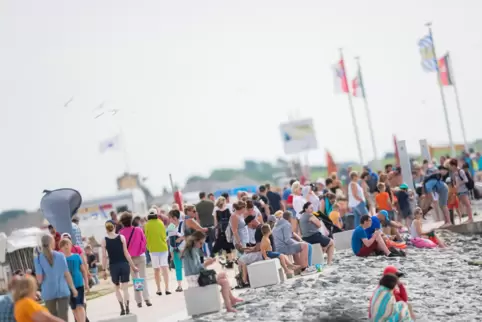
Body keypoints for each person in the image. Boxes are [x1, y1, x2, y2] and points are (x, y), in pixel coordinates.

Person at [181, 231, 243, 313]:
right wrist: (206, 264)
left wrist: (205, 264)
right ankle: (229, 306)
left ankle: (231, 300)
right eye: (201, 243)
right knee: (224, 282)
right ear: (195, 241)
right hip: (196, 280)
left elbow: (195, 268)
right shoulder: (191, 252)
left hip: (196, 277)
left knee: (223, 275)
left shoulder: (190, 250)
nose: (201, 245)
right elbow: (195, 270)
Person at [34, 234, 77, 321]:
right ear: (51, 243)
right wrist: (73, 288)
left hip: (48, 293)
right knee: (63, 318)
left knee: (52, 319)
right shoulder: (61, 256)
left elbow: (39, 280)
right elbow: (66, 274)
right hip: (63, 291)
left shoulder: (38, 259)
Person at [101, 220, 138, 315]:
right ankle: (127, 307)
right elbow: (126, 253)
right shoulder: (121, 237)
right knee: (125, 288)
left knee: (117, 288)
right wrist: (133, 266)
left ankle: (121, 307)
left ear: (106, 228)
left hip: (113, 266)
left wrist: (104, 269)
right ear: (114, 227)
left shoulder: (104, 240)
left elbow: (104, 256)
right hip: (124, 264)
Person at [119, 212, 152, 307]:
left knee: (136, 279)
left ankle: (139, 300)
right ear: (131, 220)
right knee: (143, 277)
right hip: (141, 256)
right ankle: (147, 298)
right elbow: (144, 241)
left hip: (130, 259)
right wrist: (140, 250)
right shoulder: (138, 230)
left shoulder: (121, 233)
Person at [59, 238, 88, 322]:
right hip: (67, 287)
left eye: (67, 244)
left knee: (80, 306)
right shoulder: (61, 259)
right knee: (74, 308)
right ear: (61, 248)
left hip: (79, 284)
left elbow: (83, 270)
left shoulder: (76, 256)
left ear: (71, 245)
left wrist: (86, 283)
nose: (66, 246)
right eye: (63, 245)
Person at [144, 210, 170, 296]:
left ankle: (158, 289)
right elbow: (164, 236)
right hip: (163, 247)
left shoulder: (146, 225)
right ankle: (167, 288)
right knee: (165, 268)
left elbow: (146, 237)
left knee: (156, 269)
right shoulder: (160, 223)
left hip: (153, 249)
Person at [211, 197, 235, 267]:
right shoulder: (228, 210)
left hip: (221, 232)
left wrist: (216, 231)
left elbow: (215, 223)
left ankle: (212, 259)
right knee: (228, 247)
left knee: (216, 248)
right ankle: (230, 262)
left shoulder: (216, 212)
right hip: (228, 231)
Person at [449, 158, 474, 223]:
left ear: (454, 165)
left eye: (451, 166)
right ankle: (468, 218)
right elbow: (455, 182)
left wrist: (459, 184)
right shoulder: (454, 172)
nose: (450, 167)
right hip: (459, 191)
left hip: (463, 190)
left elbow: (466, 180)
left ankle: (470, 218)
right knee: (462, 205)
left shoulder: (461, 171)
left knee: (467, 204)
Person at [167, 209, 185, 291]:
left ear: (174, 218)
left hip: (184, 249)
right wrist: (171, 252)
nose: (169, 219)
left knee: (188, 266)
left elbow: (188, 235)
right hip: (175, 250)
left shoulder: (183, 224)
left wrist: (180, 238)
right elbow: (170, 239)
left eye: (170, 218)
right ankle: (179, 285)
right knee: (178, 268)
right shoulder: (170, 227)